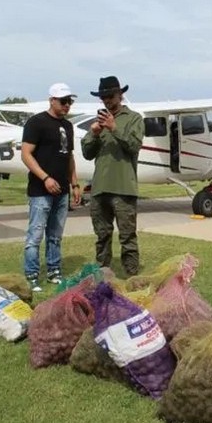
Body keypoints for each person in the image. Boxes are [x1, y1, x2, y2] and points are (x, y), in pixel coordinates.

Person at [20, 82, 82, 292]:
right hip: (40, 191)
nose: (67, 105)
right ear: (52, 100)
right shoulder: (36, 122)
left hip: (62, 189)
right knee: (35, 235)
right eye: (63, 101)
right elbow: (26, 154)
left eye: (70, 101)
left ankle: (54, 271)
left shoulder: (68, 126)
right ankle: (31, 275)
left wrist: (74, 183)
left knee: (55, 234)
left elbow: (69, 157)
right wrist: (45, 178)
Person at [81, 76, 144, 276]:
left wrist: (114, 128)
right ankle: (102, 275)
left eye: (110, 95)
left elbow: (134, 145)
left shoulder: (134, 118)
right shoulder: (98, 121)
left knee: (127, 236)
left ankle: (131, 275)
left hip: (124, 187)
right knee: (102, 236)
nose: (107, 100)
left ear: (120, 95)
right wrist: (94, 133)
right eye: (103, 97)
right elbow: (87, 153)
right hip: (100, 188)